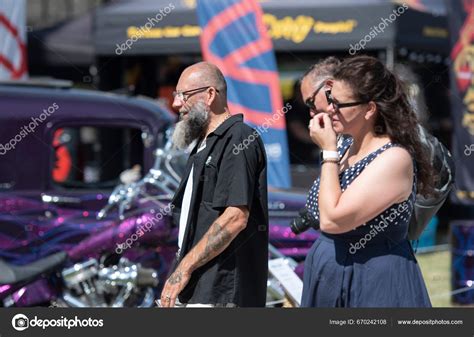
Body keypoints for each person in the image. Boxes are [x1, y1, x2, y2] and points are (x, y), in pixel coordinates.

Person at [300, 55, 434, 307]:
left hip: (372, 281)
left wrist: (328, 152)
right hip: (330, 275)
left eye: (339, 104)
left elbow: (332, 220)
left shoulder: (394, 158)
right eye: (330, 101)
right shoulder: (346, 145)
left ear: (370, 109)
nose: (329, 110)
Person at [160, 62, 268, 308]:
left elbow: (235, 217)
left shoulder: (238, 138)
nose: (176, 104)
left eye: (183, 96)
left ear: (210, 94)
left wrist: (183, 269)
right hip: (199, 290)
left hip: (222, 293)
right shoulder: (203, 144)